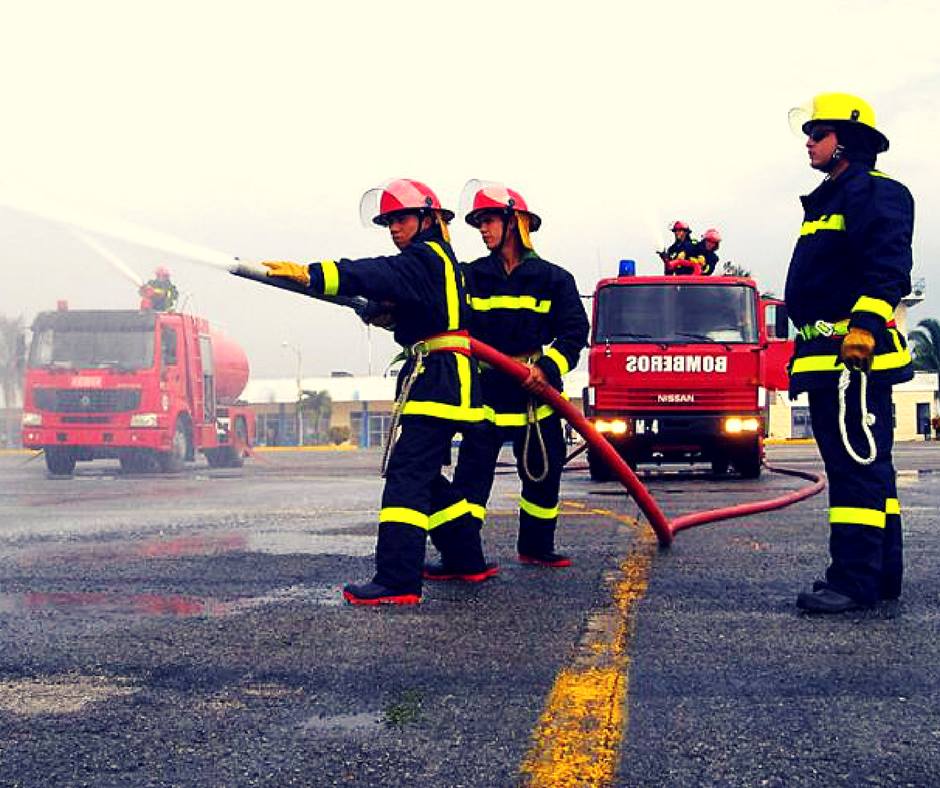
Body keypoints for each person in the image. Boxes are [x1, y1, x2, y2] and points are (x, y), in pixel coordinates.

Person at [263, 178, 483, 605]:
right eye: (388, 223)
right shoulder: (440, 261)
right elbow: (423, 307)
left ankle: (397, 581)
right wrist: (389, 314)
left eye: (400, 219)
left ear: (427, 218)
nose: (393, 229)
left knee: (406, 477)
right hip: (446, 377)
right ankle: (465, 558)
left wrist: (314, 273)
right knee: (425, 475)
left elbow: (373, 272)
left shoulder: (424, 257)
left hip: (437, 377)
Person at [784, 93, 914, 614]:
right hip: (829, 358)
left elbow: (888, 267)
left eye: (818, 133)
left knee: (856, 468)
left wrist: (862, 327)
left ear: (847, 139)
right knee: (869, 469)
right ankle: (880, 574)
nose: (809, 143)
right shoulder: (833, 197)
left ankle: (853, 581)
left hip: (851, 362)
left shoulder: (874, 193)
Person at [423, 181, 589, 580]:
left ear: (515, 222)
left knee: (543, 478)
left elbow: (573, 332)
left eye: (490, 220)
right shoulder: (469, 277)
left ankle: (536, 547)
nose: (482, 229)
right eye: (479, 222)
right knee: (471, 479)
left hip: (537, 395)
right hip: (486, 394)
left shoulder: (554, 279)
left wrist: (547, 369)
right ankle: (462, 555)